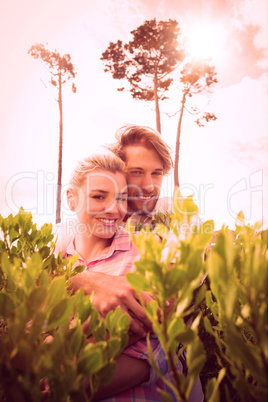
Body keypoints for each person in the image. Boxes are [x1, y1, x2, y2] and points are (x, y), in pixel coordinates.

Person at [58, 152, 182, 400]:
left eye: (122, 198)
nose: (114, 209)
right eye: (98, 196)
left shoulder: (146, 252)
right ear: (71, 199)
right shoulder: (55, 257)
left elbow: (152, 337)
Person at [55, 124, 175, 335]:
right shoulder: (69, 232)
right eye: (137, 172)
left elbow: (161, 303)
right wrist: (90, 280)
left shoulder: (175, 216)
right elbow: (37, 269)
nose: (148, 186)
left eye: (157, 173)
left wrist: (65, 355)